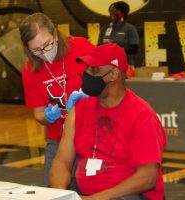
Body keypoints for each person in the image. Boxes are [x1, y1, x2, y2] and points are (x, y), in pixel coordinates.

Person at [49, 44, 166, 200]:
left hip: (129, 196)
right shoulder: (79, 110)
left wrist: (97, 198)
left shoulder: (142, 115)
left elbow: (148, 177)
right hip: (86, 194)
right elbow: (61, 162)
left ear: (114, 73)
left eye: (94, 70)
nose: (87, 74)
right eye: (87, 68)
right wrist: (62, 194)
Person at [19, 13, 95, 186]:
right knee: (53, 190)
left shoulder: (80, 47)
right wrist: (47, 117)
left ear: (55, 34)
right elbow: (38, 113)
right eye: (36, 50)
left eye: (47, 44)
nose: (44, 52)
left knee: (94, 187)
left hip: (93, 133)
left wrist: (91, 94)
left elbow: (107, 75)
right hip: (58, 138)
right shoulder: (30, 70)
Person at [98, 1, 139, 68]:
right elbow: (99, 46)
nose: (112, 13)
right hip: (106, 66)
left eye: (116, 11)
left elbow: (134, 49)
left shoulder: (130, 28)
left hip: (125, 66)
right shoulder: (105, 28)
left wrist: (117, 50)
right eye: (111, 11)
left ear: (123, 13)